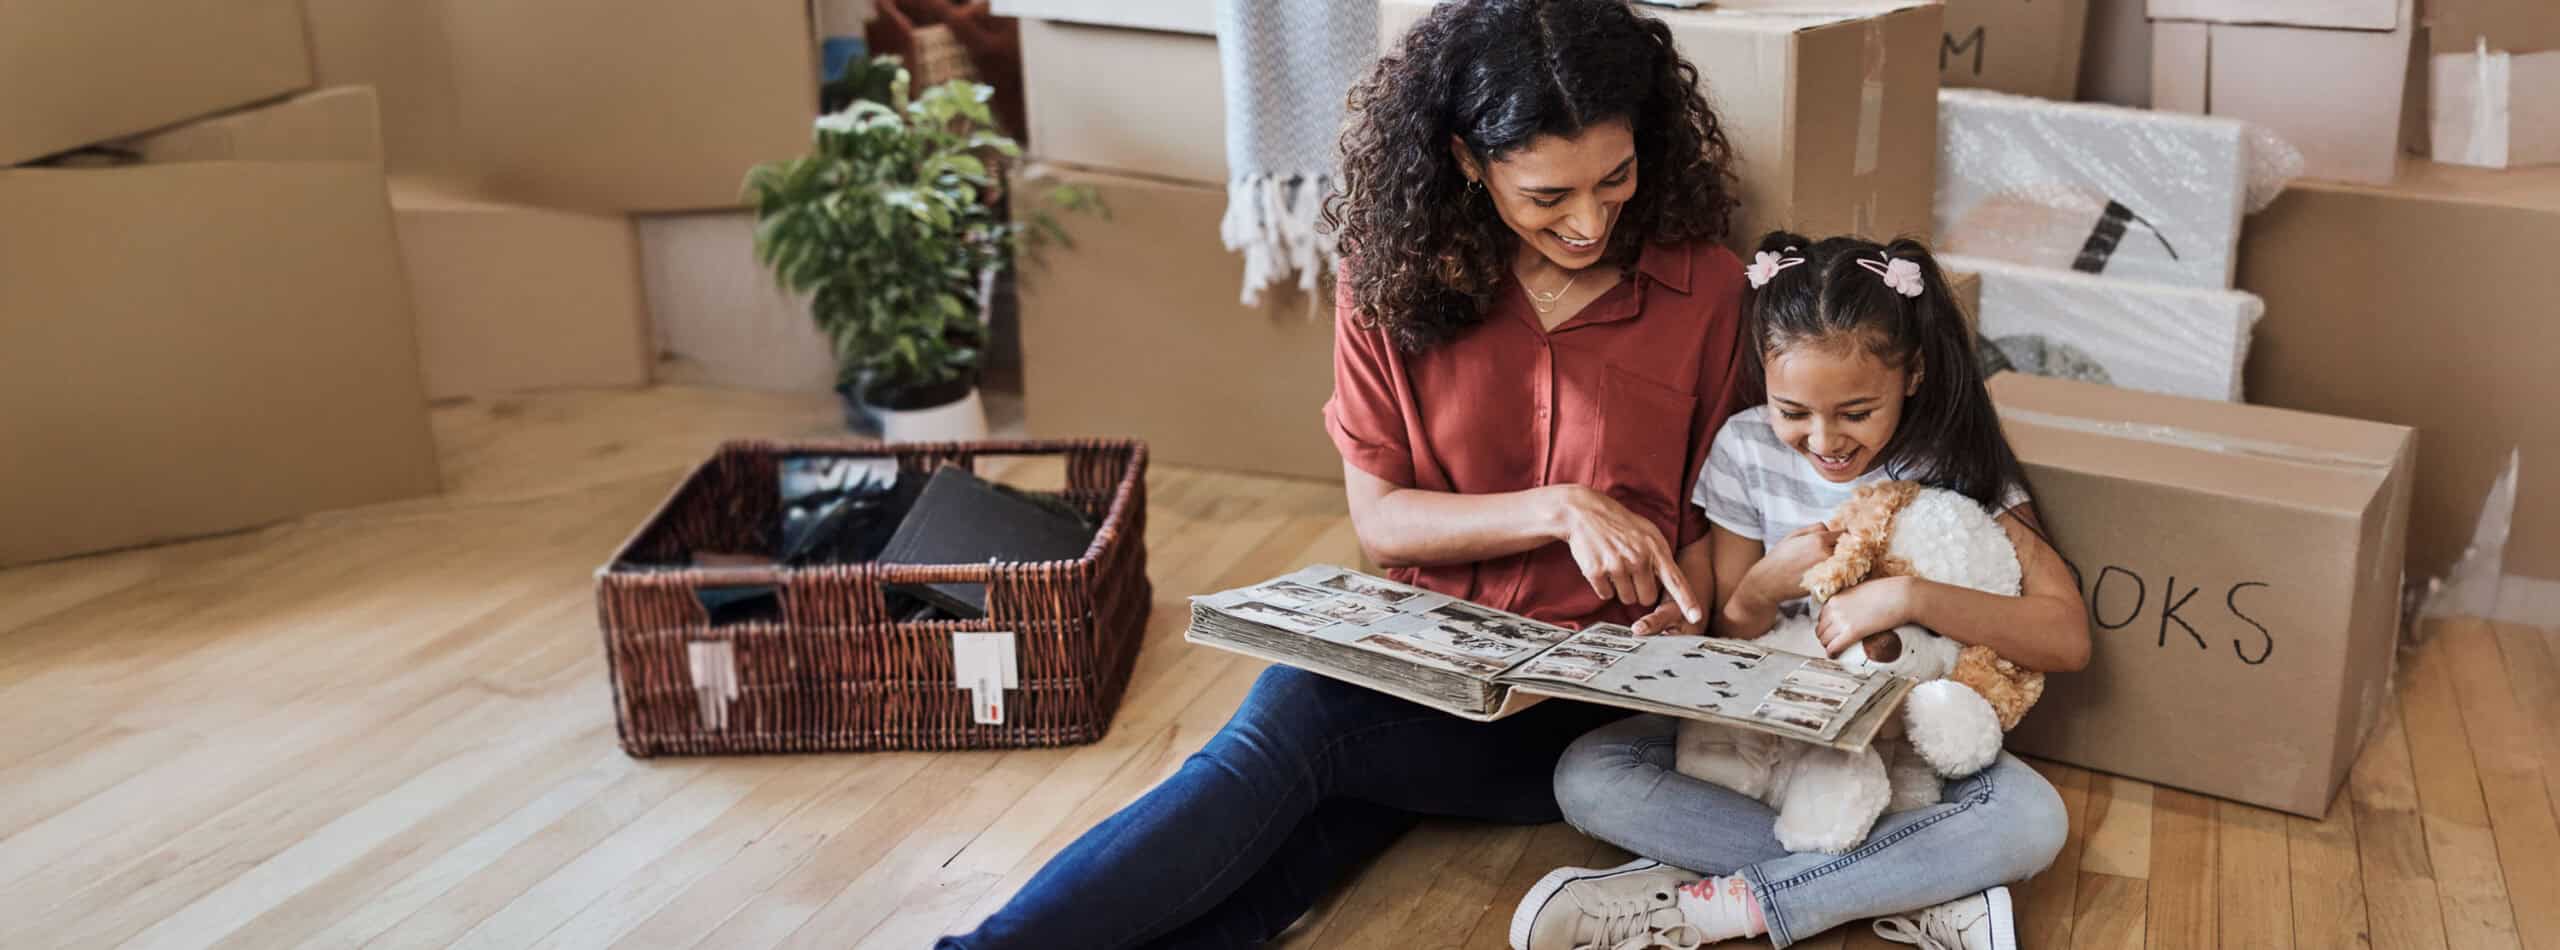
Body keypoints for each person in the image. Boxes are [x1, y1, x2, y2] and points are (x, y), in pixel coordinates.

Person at [937, 1, 1752, 946]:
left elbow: (1705, 545)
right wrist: (1560, 509)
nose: (1588, 221)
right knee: (1304, 833)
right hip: (1426, 671)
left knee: (1297, 722)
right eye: (1546, 197)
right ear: (1464, 160)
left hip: (1579, 718)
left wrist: (1669, 619)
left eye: (1615, 178)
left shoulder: (1710, 292)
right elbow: (1385, 523)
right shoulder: (1390, 274)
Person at [1509, 233, 2092, 950]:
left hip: (1907, 738)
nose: (1825, 441)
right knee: (1589, 775)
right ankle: (1922, 887)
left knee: (2031, 817)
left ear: (1911, 375)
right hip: (1765, 740)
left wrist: (1910, 596)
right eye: (1794, 412)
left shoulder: (1953, 459)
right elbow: (1735, 631)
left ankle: (1711, 903)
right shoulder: (1744, 451)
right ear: (1764, 376)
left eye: (1855, 413)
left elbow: (2066, 637)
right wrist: (1763, 584)